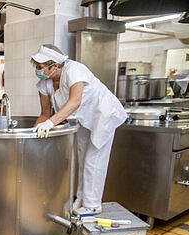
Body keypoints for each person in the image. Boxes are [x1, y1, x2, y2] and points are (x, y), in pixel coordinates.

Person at [30, 44, 127, 216]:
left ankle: (92, 205)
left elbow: (75, 101)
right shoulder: (44, 84)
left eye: (40, 67)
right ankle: (82, 199)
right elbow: (45, 113)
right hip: (83, 119)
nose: (37, 71)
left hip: (103, 114)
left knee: (93, 160)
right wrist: (34, 133)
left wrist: (51, 123)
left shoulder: (74, 70)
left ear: (55, 66)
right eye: (36, 67)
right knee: (82, 159)